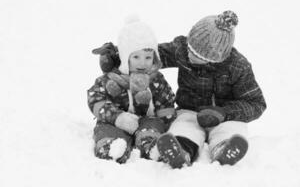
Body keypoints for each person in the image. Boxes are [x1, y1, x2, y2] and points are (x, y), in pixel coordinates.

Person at [96, 11, 267, 168]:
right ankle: (181, 151)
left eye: (197, 55)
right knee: (183, 127)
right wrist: (117, 55)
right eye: (190, 48)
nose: (190, 54)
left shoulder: (238, 67)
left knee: (231, 129)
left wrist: (224, 113)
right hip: (189, 111)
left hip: (225, 116)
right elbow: (152, 55)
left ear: (215, 59)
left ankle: (223, 149)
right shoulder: (183, 49)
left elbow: (256, 103)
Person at [87, 18, 176, 164]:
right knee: (106, 129)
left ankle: (151, 146)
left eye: (148, 57)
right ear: (124, 57)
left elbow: (166, 102)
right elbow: (95, 99)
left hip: (148, 120)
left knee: (152, 128)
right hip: (116, 121)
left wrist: (166, 119)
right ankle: (112, 147)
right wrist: (117, 117)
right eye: (136, 57)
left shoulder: (156, 79)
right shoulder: (111, 79)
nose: (142, 63)